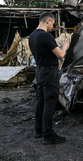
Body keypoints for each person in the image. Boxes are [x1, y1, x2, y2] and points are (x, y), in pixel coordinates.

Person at [29, 12, 69, 145]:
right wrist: (65, 45)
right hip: (49, 72)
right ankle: (48, 135)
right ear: (48, 21)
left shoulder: (32, 36)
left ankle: (38, 130)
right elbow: (60, 55)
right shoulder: (46, 36)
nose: (52, 26)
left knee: (41, 101)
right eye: (52, 23)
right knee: (50, 101)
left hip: (39, 71)